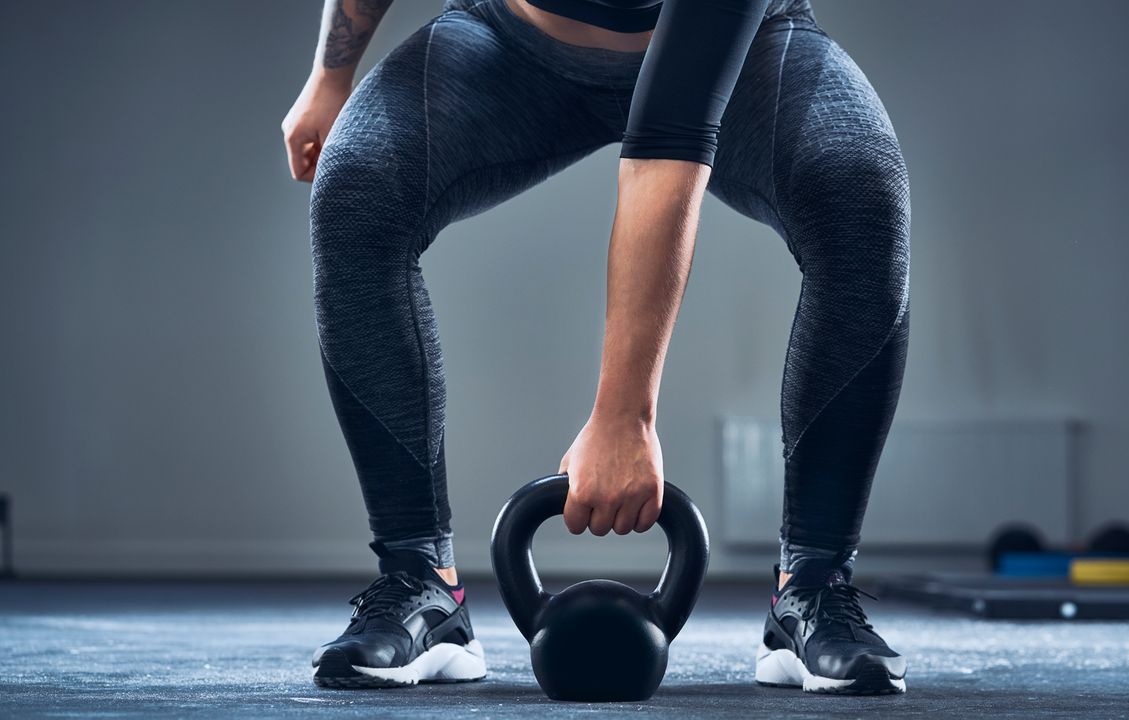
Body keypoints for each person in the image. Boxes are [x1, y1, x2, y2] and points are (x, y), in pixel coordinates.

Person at [281, 0, 910, 695]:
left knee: (860, 192)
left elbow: (667, 144)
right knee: (357, 185)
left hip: (744, 53)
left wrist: (624, 418)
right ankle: (420, 585)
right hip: (515, 42)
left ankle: (812, 588)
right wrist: (330, 76)